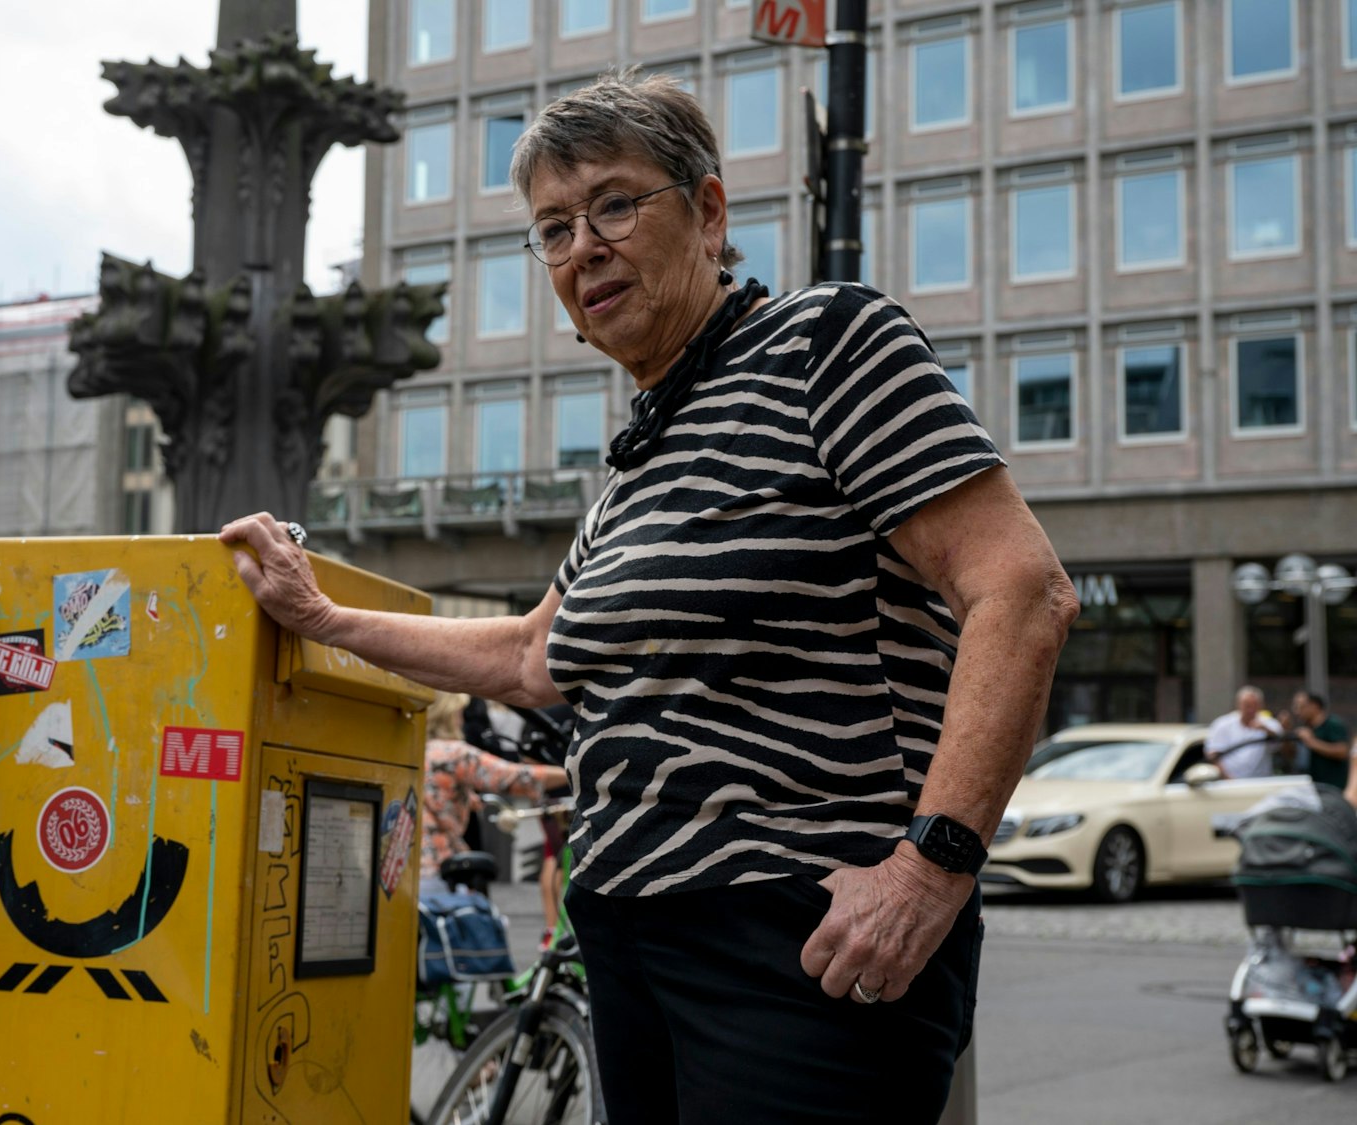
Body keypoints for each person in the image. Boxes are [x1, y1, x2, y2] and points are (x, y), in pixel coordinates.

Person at [219, 71, 1078, 1123]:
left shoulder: (825, 345)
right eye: (551, 228)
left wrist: (931, 866)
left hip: (789, 940)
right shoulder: (637, 460)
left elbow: (1020, 590)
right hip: (627, 938)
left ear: (708, 212)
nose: (582, 247)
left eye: (614, 204)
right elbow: (535, 657)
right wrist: (323, 619)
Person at [419, 693, 566, 889]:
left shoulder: (417, 749)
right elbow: (514, 777)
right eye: (459, 713)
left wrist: (465, 798)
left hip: (410, 864)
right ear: (448, 715)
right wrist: (571, 773)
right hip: (441, 866)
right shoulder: (454, 753)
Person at [1206, 686, 1284, 779]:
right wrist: (1228, 780)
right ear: (1238, 705)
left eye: (1254, 705)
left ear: (1261, 706)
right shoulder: (1222, 725)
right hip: (1229, 786)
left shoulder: (1269, 723)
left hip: (1261, 784)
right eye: (1247, 705)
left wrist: (1265, 730)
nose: (1250, 710)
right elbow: (1213, 754)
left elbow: (1279, 744)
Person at [1284, 691, 1351, 792]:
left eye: (1300, 707)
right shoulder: (1307, 728)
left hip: (1333, 788)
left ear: (1314, 706)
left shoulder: (1332, 724)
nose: (1296, 711)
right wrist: (1286, 733)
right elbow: (1292, 756)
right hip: (1312, 788)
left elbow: (1342, 751)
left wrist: (1311, 742)